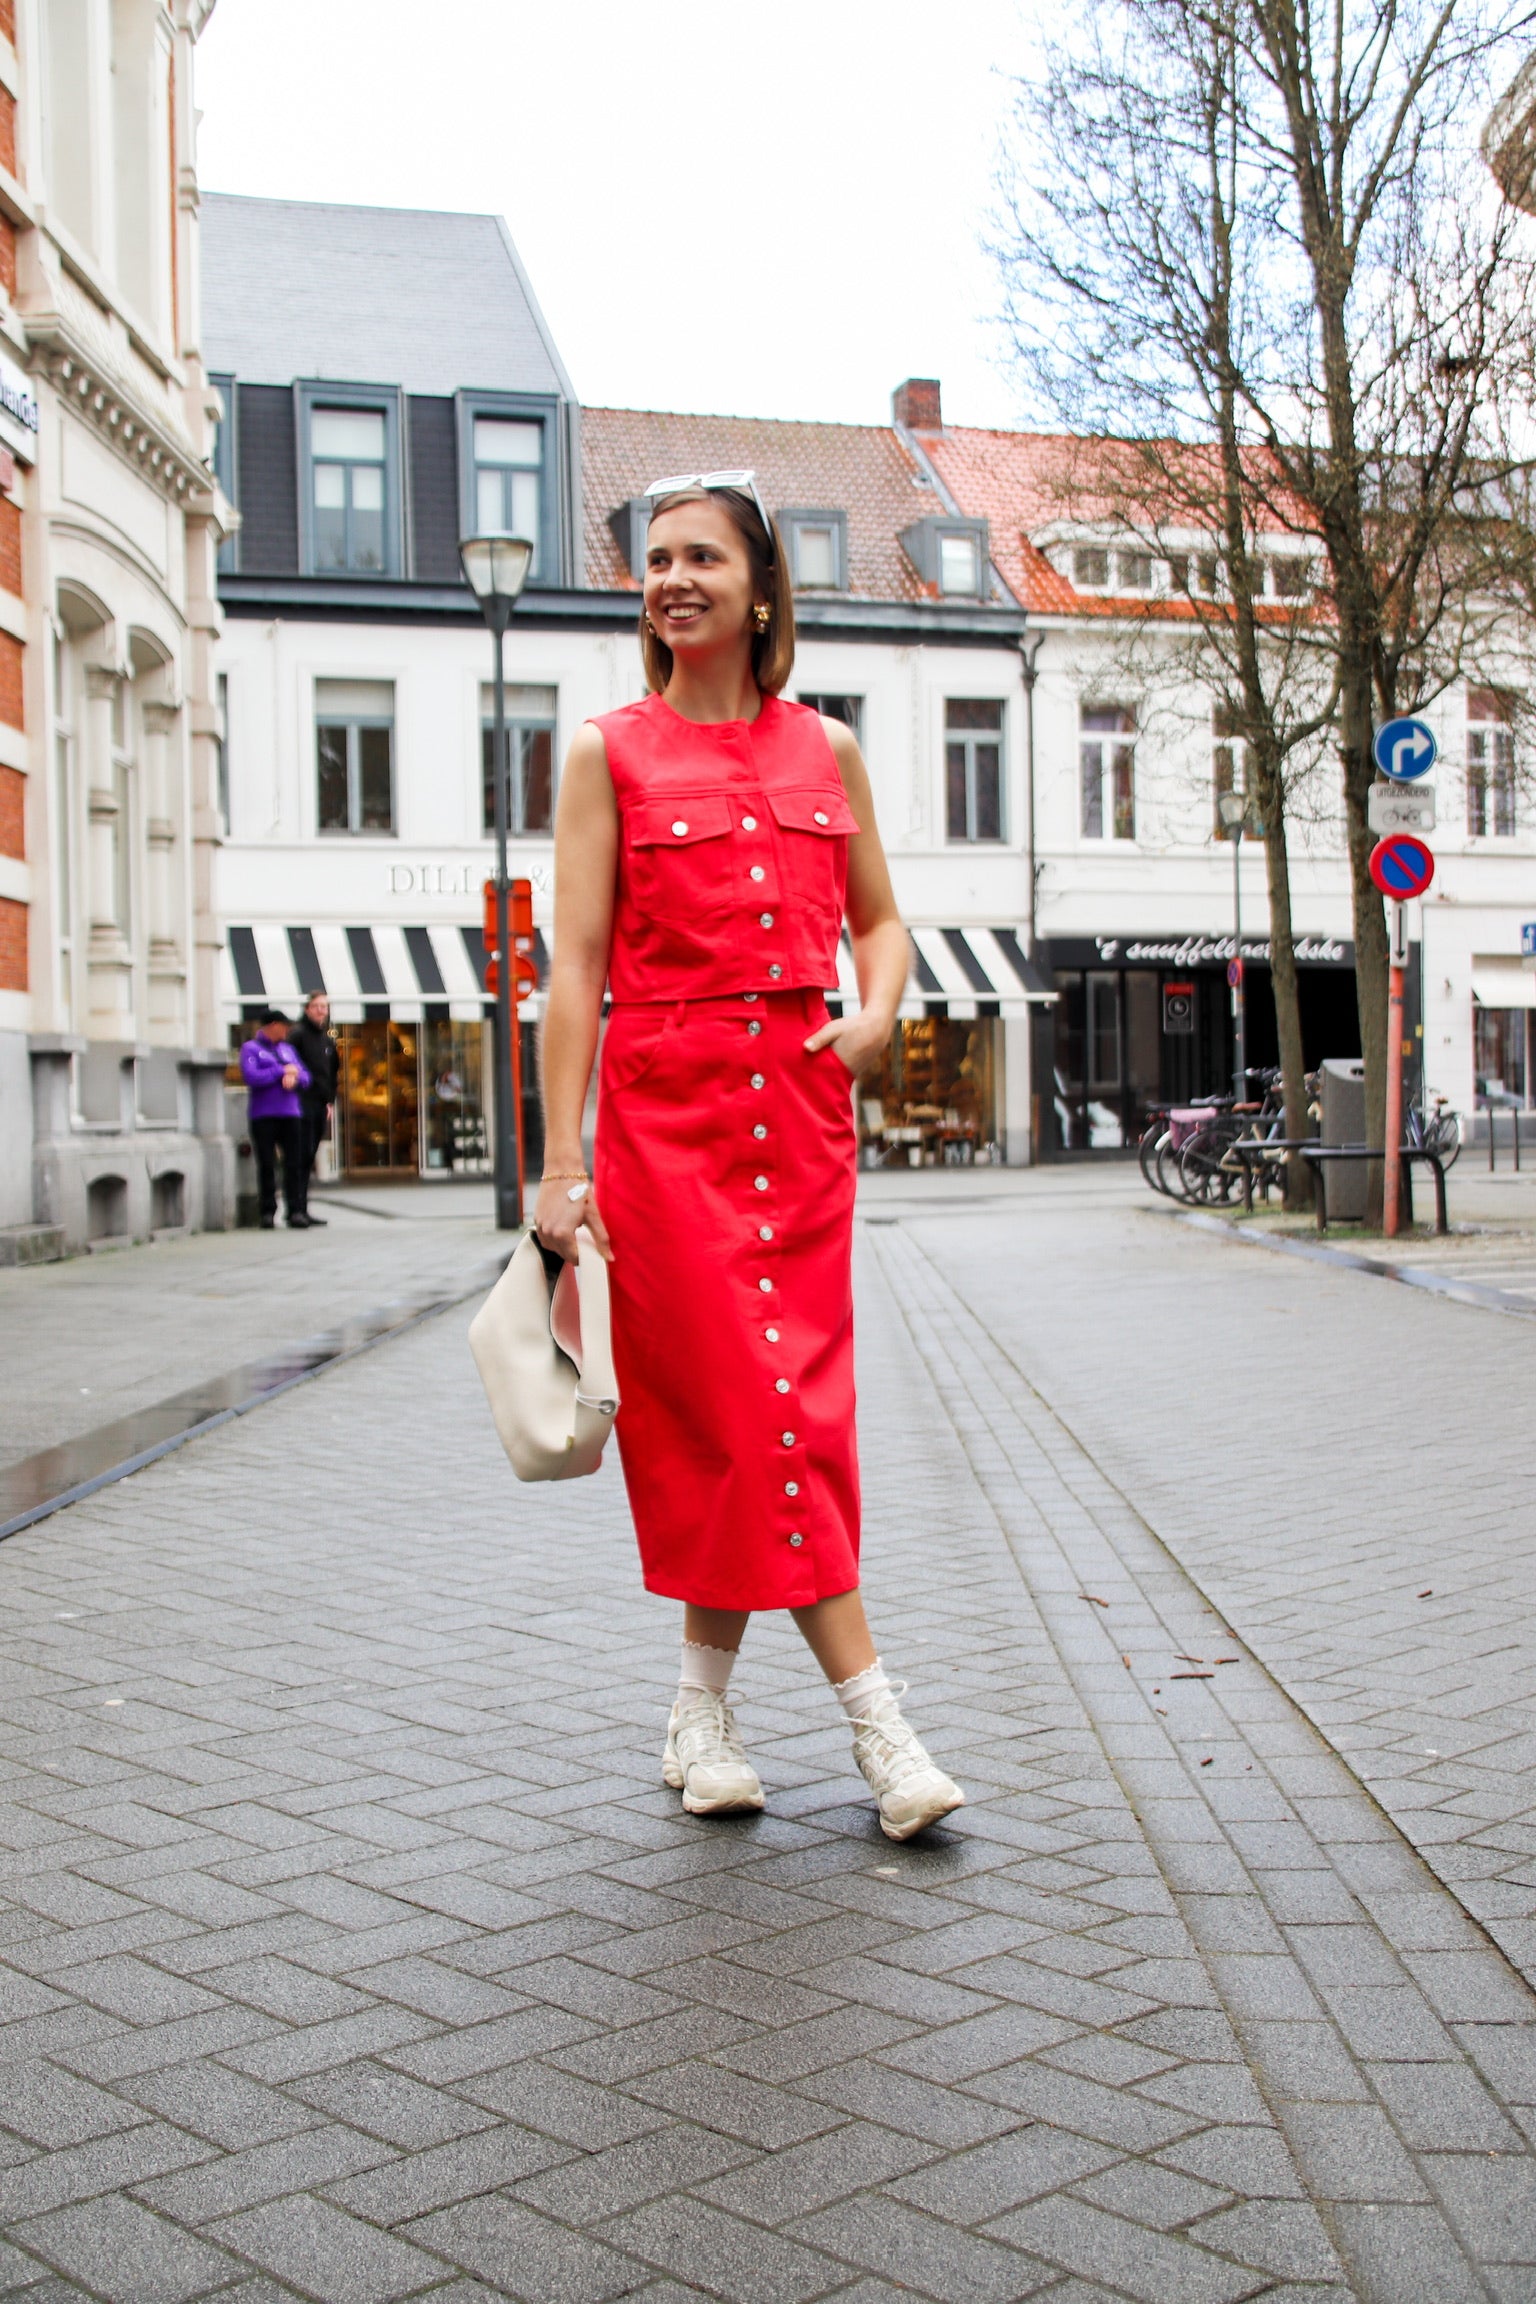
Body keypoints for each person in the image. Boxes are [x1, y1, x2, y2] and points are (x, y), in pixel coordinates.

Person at [534, 473, 964, 1841]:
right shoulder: (608, 752)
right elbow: (576, 972)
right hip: (666, 1135)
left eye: (701, 557)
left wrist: (877, 1017)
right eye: (655, 561)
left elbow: (885, 922)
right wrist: (559, 1167)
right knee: (749, 1407)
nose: (672, 579)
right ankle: (879, 1727)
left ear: (760, 588)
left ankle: (701, 1711)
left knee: (778, 1413)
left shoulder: (826, 753)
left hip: (801, 1122)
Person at [239, 1010, 312, 1230]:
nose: (287, 1030)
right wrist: (281, 1071)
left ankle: (296, 1210)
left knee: (294, 1163)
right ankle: (267, 1212)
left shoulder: (288, 1049)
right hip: (264, 1115)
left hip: (290, 1113)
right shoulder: (251, 1049)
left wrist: (295, 1076)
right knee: (267, 1164)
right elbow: (251, 1077)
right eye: (283, 1026)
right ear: (272, 1025)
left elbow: (307, 1078)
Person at [290, 990, 339, 1219]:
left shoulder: (327, 1039)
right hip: (301, 1104)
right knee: (299, 1156)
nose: (321, 1010)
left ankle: (303, 1208)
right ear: (307, 1009)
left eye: (324, 1006)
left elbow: (333, 1072)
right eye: (317, 1006)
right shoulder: (297, 1035)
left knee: (309, 1156)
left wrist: (330, 1101)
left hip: (320, 1104)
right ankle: (295, 1209)